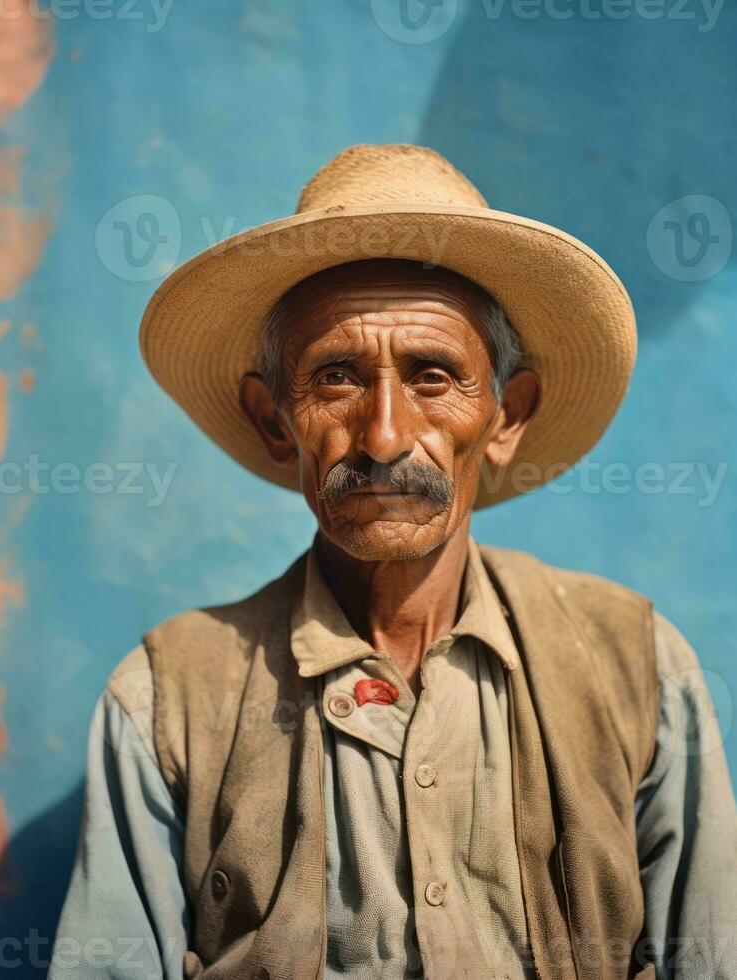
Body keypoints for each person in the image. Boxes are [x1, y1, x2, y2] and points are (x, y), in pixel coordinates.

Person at [49, 144, 737, 979]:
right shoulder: (167, 701)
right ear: (274, 421)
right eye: (335, 378)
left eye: (434, 376)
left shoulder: (635, 667)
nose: (383, 437)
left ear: (507, 416)